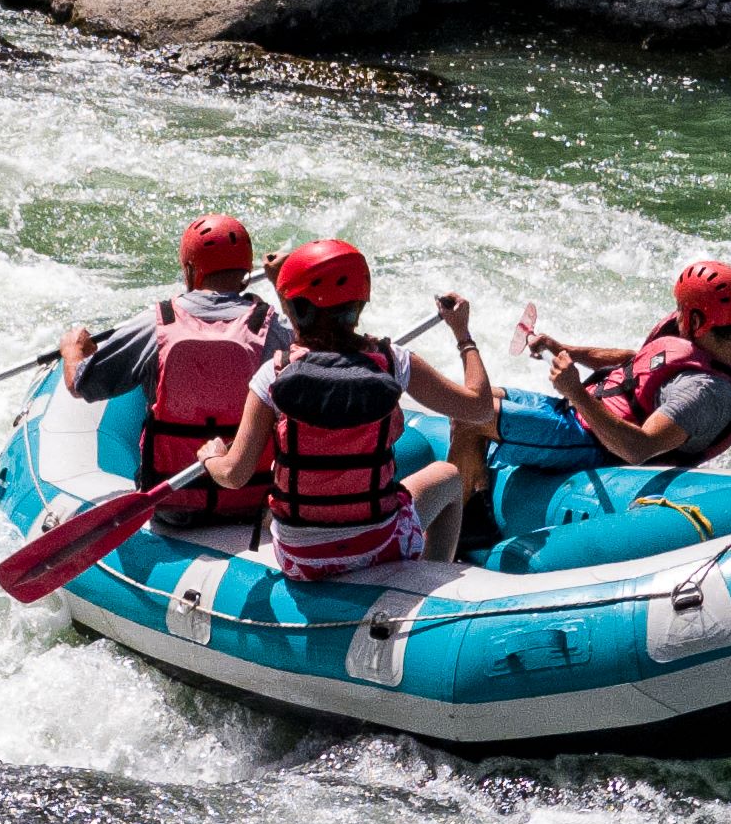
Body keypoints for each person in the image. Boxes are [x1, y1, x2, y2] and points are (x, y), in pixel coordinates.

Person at [198, 238, 503, 577]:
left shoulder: (275, 372)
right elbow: (479, 409)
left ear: (293, 308)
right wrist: (463, 334)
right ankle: (427, 577)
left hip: (300, 557)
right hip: (379, 543)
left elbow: (234, 475)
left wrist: (210, 457)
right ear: (360, 304)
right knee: (446, 476)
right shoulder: (393, 362)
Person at [63, 214, 279, 514]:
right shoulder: (276, 329)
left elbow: (81, 385)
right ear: (245, 270)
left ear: (190, 270)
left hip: (173, 506)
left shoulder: (157, 323)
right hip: (254, 504)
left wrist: (73, 350)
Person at [514, 260, 731, 472]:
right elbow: (637, 363)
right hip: (583, 415)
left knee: (479, 409)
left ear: (696, 319)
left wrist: (575, 392)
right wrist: (567, 350)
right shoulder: (702, 346)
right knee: (490, 397)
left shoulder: (703, 393)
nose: (676, 316)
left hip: (600, 447)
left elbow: (639, 449)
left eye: (680, 309)